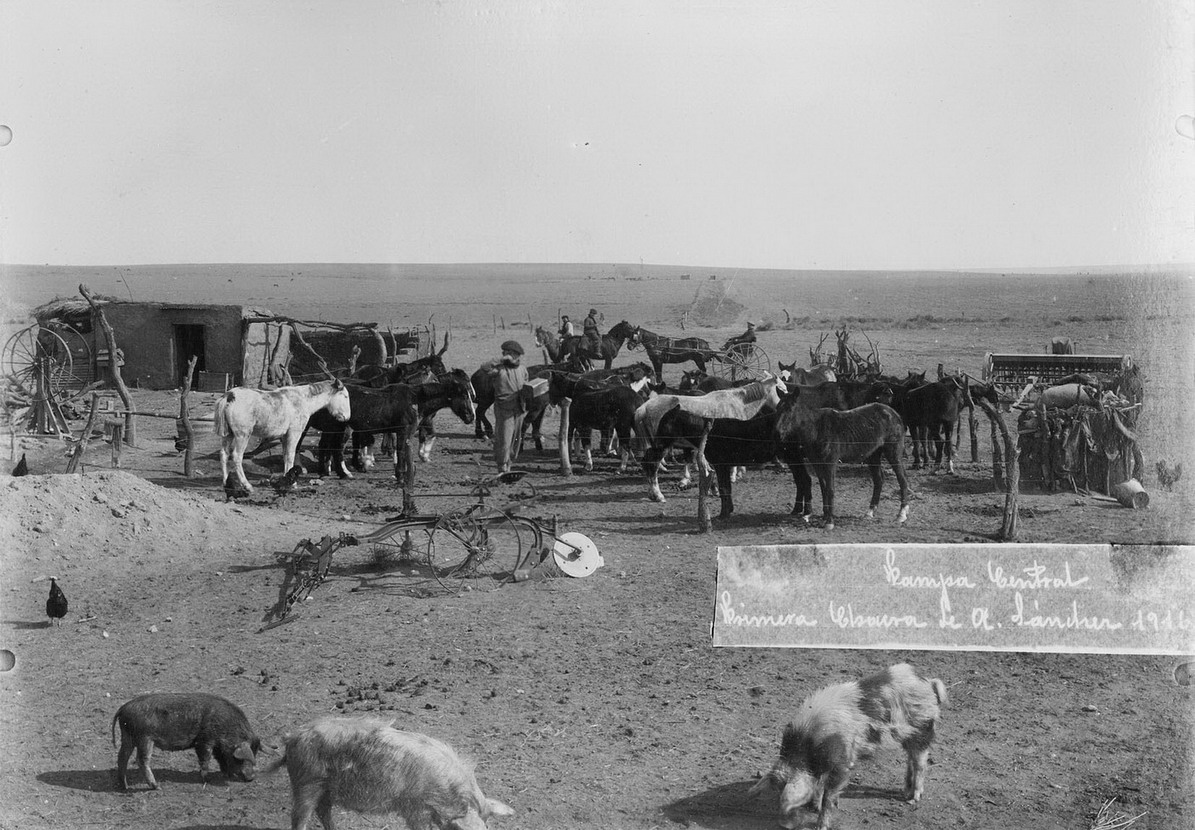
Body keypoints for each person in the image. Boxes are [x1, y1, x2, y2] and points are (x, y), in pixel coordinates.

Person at [481, 340, 529, 472]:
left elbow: (526, 383)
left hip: (519, 409)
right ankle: (502, 467)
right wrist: (500, 359)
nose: (513, 357)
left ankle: (510, 463)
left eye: (514, 355)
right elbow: (484, 368)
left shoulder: (522, 369)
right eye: (506, 353)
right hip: (504, 409)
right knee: (504, 439)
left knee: (516, 439)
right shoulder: (498, 370)